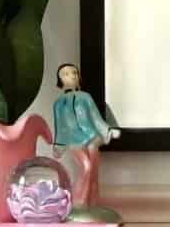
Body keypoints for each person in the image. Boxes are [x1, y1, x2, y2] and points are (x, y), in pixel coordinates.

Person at [51, 64, 121, 217]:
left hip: (92, 136)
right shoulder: (58, 103)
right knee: (86, 166)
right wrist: (58, 145)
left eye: (74, 73)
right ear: (60, 79)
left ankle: (93, 203)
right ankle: (78, 202)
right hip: (73, 140)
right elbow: (60, 125)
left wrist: (108, 130)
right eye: (66, 74)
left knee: (94, 171)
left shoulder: (85, 97)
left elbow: (95, 117)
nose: (72, 76)